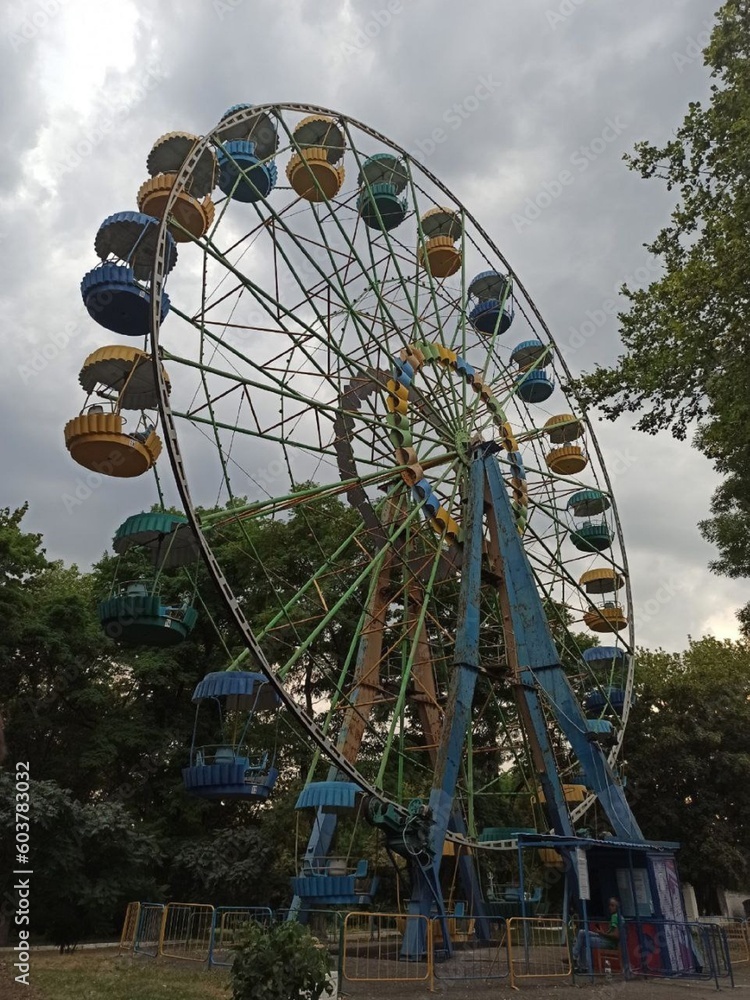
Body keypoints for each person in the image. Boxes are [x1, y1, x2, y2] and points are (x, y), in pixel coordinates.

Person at [571, 897, 621, 972]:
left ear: (617, 907)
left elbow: (616, 935)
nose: (610, 907)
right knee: (582, 932)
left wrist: (602, 933)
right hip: (605, 938)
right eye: (610, 905)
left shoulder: (615, 917)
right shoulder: (617, 917)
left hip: (608, 942)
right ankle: (575, 956)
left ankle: (580, 962)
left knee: (583, 941)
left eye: (612, 905)